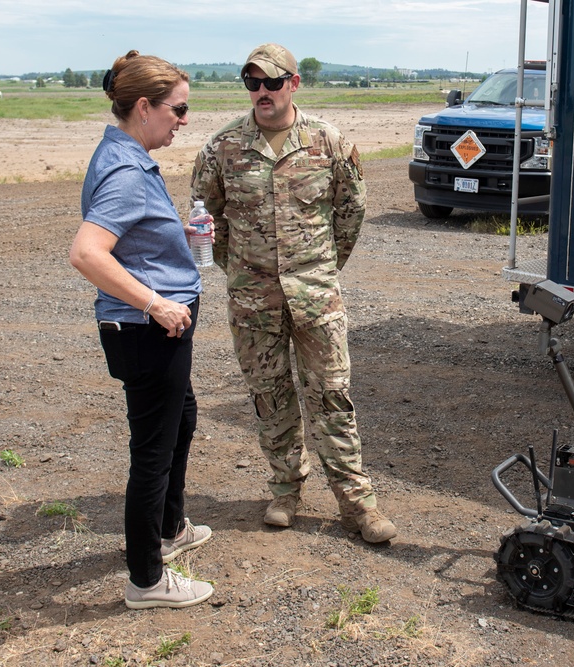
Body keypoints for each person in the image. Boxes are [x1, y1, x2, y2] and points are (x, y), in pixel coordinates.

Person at [190, 43, 396, 543]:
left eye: (272, 82)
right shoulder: (223, 148)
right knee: (270, 395)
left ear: (293, 84)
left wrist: (318, 269)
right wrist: (244, 271)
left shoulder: (329, 142)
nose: (262, 92)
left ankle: (357, 503)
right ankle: (285, 488)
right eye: (252, 83)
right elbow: (206, 220)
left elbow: (350, 215)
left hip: (316, 297)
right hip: (252, 300)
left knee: (332, 395)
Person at [70, 50, 213, 608]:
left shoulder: (121, 153)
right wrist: (157, 302)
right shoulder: (129, 171)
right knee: (152, 450)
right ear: (145, 106)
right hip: (148, 330)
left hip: (153, 329)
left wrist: (170, 230)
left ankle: (170, 528)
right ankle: (147, 580)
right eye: (178, 110)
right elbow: (87, 252)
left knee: (182, 421)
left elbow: (128, 233)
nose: (183, 121)